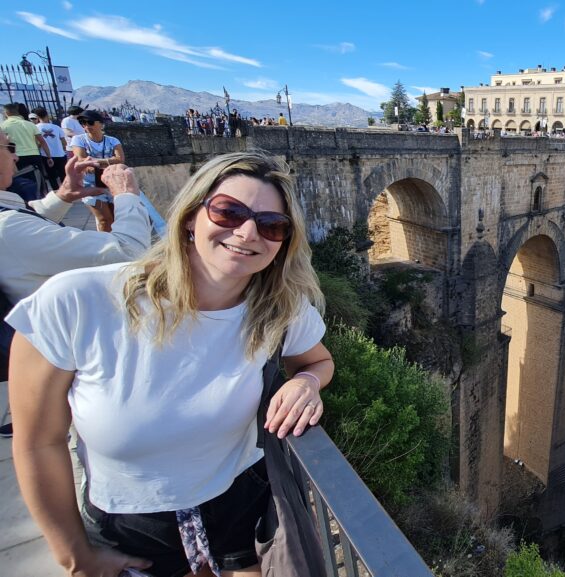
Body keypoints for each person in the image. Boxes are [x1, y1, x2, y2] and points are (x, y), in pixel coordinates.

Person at [7, 151, 333, 577]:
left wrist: (306, 381)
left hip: (239, 509)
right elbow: (38, 443)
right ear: (190, 216)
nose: (248, 232)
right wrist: (73, 555)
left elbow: (317, 361)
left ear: (283, 243)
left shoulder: (279, 309)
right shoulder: (75, 301)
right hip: (130, 528)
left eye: (271, 225)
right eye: (229, 212)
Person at [0, 129, 151, 438]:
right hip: (70, 352)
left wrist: (61, 197)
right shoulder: (7, 230)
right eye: (9, 147)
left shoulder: (9, 222)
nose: (16, 156)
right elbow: (129, 252)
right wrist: (126, 196)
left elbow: (22, 227)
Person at [69, 110, 124, 232]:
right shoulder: (79, 139)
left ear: (100, 123)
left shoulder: (112, 140)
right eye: (83, 123)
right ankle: (106, 242)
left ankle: (114, 239)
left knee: (115, 218)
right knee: (105, 219)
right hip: (90, 186)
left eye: (90, 122)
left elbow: (120, 159)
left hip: (111, 184)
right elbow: (81, 159)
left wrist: (93, 161)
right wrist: (109, 160)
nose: (86, 126)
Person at [2, 103, 51, 200]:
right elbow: (42, 141)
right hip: (34, 156)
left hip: (17, 158)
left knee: (19, 184)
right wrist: (49, 156)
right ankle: (42, 200)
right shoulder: (30, 124)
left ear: (6, 113)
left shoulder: (3, 126)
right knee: (39, 182)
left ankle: (23, 202)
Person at [31, 108, 69, 191]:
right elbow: (64, 142)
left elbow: (37, 143)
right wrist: (62, 149)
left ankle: (56, 192)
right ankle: (66, 191)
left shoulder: (35, 128)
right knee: (63, 175)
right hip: (60, 154)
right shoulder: (56, 127)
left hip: (46, 155)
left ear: (37, 117)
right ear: (47, 115)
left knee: (51, 176)